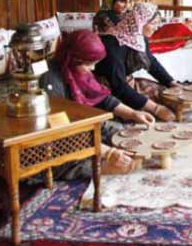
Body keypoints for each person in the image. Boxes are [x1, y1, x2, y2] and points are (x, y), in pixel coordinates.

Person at [39, 30, 155, 176]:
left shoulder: (76, 68)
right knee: (62, 161)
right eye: (89, 64)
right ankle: (97, 168)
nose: (92, 69)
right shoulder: (50, 80)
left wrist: (133, 113)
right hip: (59, 135)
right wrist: (108, 152)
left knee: (123, 133)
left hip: (81, 123)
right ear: (73, 58)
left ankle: (100, 154)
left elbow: (101, 97)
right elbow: (61, 131)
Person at [94, 1, 181, 122]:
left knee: (167, 96)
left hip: (125, 83)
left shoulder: (138, 38)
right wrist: (156, 109)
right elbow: (119, 87)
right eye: (154, 23)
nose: (157, 27)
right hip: (108, 89)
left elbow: (151, 62)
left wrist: (172, 83)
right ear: (140, 23)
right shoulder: (112, 46)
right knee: (136, 116)